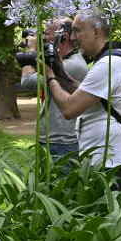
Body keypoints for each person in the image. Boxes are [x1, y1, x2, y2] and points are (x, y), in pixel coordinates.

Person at [45, 10, 121, 188]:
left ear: (96, 31)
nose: (72, 37)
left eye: (78, 30)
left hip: (110, 163)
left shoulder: (109, 64)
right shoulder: (110, 59)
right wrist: (58, 69)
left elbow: (68, 109)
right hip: (109, 159)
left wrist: (50, 76)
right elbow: (84, 92)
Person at [19, 17, 89, 160]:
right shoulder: (61, 62)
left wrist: (30, 49)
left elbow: (27, 82)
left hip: (62, 142)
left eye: (47, 33)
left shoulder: (72, 65)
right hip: (53, 139)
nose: (43, 38)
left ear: (64, 37)